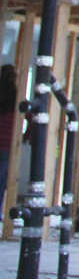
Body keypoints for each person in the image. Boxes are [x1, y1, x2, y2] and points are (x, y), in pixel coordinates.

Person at [0, 64, 16, 207]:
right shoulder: (15, 94)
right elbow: (28, 116)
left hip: (5, 141)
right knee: (1, 180)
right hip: (7, 143)